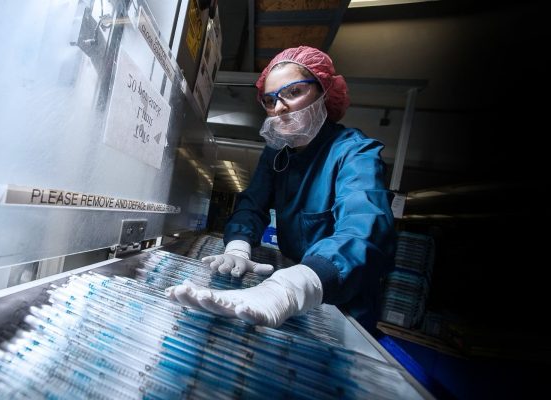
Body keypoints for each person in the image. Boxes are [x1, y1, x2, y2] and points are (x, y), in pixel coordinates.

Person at [166, 46, 396, 330]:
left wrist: (293, 287)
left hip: (341, 299)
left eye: (293, 92)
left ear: (324, 91)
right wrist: (238, 248)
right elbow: (252, 205)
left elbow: (364, 230)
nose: (279, 108)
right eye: (270, 99)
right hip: (285, 294)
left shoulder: (355, 153)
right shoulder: (277, 155)